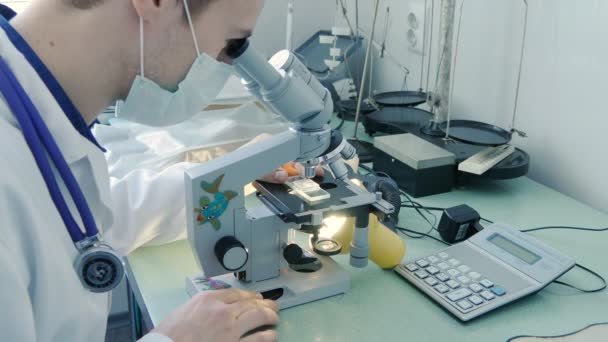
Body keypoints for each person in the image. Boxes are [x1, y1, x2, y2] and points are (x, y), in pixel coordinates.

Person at [0, 0, 319, 341]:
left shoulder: (32, 115)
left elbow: (88, 219)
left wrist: (234, 171)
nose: (228, 64)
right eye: (233, 45)